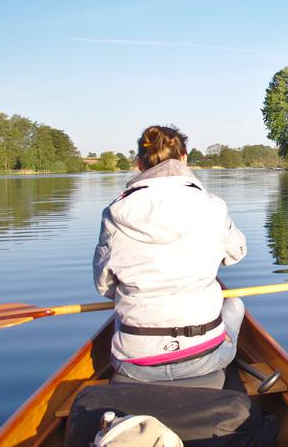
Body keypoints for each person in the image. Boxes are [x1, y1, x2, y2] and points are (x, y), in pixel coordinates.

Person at [94, 125, 247, 382]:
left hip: (134, 363)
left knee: (120, 316)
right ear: (184, 158)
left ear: (139, 164)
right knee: (235, 305)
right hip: (204, 357)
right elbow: (237, 254)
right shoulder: (212, 206)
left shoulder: (114, 212)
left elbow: (104, 285)